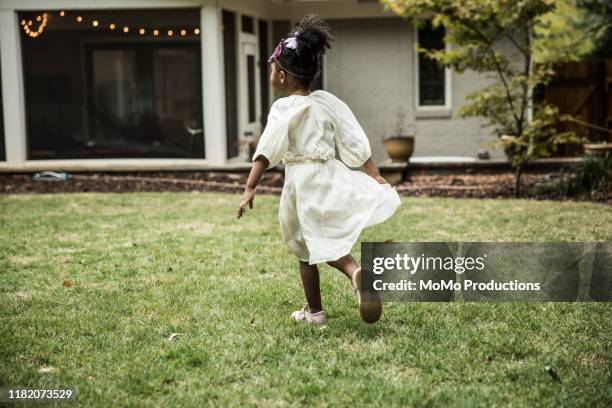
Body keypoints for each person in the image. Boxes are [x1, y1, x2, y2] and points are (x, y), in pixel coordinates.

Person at [236, 15, 401, 324]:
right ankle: (355, 274)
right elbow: (353, 138)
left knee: (304, 249)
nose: (271, 75)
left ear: (283, 77)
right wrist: (373, 173)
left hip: (301, 182)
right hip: (329, 177)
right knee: (327, 239)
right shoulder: (325, 102)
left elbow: (266, 149)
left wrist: (250, 187)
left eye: (273, 69)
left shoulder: (284, 108)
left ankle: (315, 312)